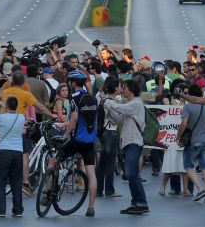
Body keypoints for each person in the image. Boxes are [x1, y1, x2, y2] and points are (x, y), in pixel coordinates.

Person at [106, 78, 150, 215]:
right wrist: (109, 110)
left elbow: (121, 109)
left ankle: (141, 202)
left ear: (130, 89)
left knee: (131, 173)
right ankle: (137, 203)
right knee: (131, 174)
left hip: (133, 142)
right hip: (127, 142)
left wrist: (108, 102)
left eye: (124, 88)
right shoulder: (131, 104)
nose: (122, 90)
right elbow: (120, 119)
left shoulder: (136, 103)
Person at [61, 70, 100, 215]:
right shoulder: (91, 97)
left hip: (78, 139)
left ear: (72, 83)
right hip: (90, 140)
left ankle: (48, 191)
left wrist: (65, 134)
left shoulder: (74, 98)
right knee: (91, 172)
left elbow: (74, 118)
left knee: (56, 158)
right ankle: (91, 207)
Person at [0, 96, 26, 217]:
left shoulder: (1, 118)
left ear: (6, 106)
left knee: (1, 182)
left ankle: (1, 210)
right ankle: (18, 210)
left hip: (4, 151)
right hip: (17, 152)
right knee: (16, 182)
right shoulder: (21, 117)